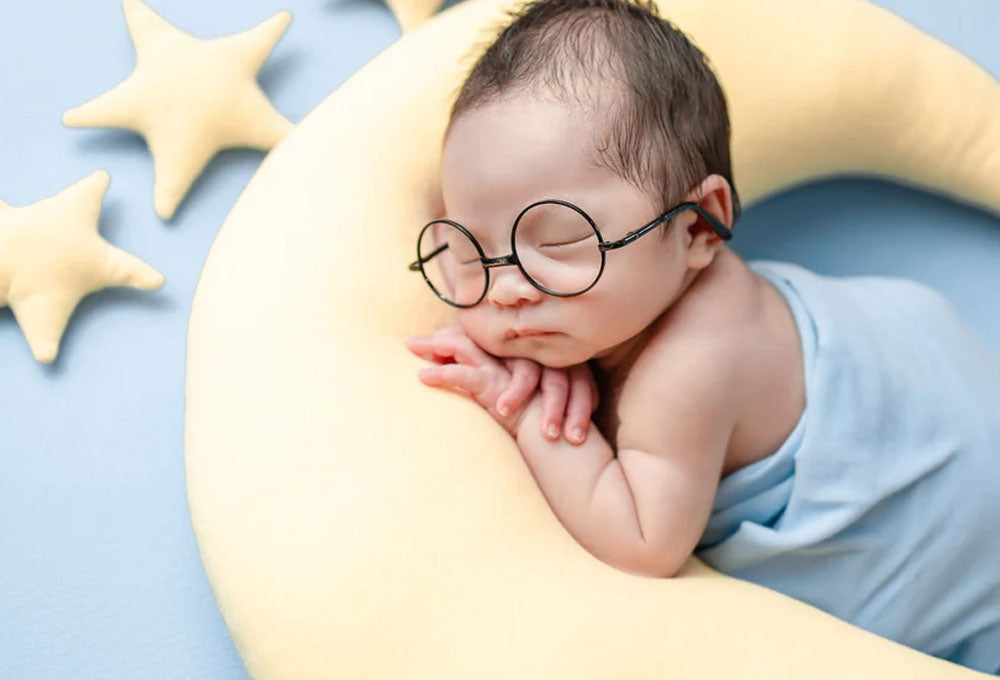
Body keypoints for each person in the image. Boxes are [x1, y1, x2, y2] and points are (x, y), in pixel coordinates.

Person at [403, 0, 1000, 672]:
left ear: (697, 227)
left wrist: (532, 413)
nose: (507, 287)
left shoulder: (690, 364)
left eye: (561, 240)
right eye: (472, 252)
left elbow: (643, 541)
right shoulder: (625, 305)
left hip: (948, 507)